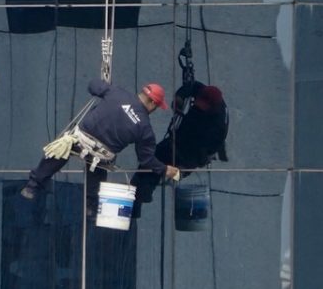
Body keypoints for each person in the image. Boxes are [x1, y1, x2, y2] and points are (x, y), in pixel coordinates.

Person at [21, 79, 181, 210]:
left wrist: (105, 86)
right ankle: (90, 207)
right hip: (101, 156)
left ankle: (32, 186)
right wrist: (165, 169)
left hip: (80, 140)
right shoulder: (145, 128)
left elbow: (92, 85)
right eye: (157, 107)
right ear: (152, 103)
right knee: (97, 167)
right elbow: (146, 159)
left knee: (61, 150)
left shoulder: (117, 92)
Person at [131, 83, 228, 216]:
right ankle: (139, 195)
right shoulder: (206, 92)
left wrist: (185, 166)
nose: (198, 106)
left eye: (202, 106)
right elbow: (192, 86)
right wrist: (180, 98)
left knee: (152, 168)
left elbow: (206, 154)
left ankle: (139, 196)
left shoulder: (217, 128)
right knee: (148, 165)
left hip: (188, 156)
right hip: (177, 141)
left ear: (211, 107)